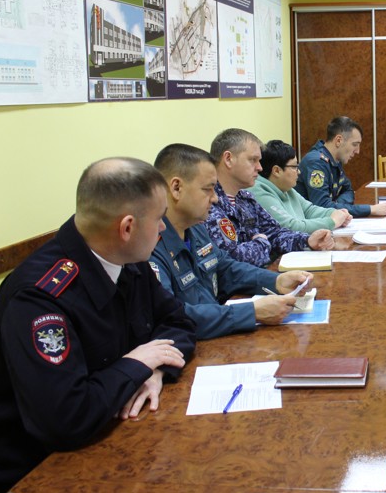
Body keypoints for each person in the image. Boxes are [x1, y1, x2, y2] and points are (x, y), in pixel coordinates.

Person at [0, 158, 196, 493]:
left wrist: (156, 371)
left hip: (120, 437)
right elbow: (65, 420)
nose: (164, 228)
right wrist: (138, 362)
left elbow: (178, 321)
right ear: (127, 228)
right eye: (158, 219)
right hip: (34, 471)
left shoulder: (126, 260)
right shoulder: (39, 298)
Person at [151, 144, 313, 339]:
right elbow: (174, 316)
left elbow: (226, 268)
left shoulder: (195, 229)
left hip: (216, 338)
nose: (215, 198)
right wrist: (251, 312)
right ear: (176, 188)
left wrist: (276, 281)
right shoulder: (149, 246)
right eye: (208, 189)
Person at [206, 128, 334, 268]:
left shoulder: (245, 198)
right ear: (228, 159)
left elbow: (275, 233)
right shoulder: (207, 203)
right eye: (253, 160)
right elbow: (232, 260)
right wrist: (262, 242)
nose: (260, 168)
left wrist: (308, 240)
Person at [295, 116, 386, 218]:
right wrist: (370, 209)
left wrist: (338, 205)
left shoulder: (334, 159)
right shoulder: (316, 162)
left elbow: (348, 190)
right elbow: (323, 207)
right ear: (339, 140)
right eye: (355, 144)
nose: (358, 151)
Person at [250, 139, 352, 233]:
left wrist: (335, 213)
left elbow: (309, 210)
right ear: (277, 171)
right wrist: (332, 221)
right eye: (294, 167)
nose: (299, 171)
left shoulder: (285, 188)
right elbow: (290, 227)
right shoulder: (259, 192)